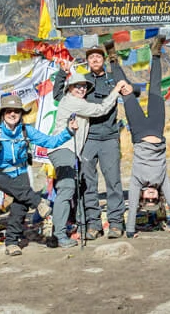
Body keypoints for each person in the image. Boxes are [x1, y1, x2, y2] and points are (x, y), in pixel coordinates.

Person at [0, 95, 75, 255]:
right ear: (2, 114)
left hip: (20, 172)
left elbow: (50, 142)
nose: (12, 114)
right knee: (21, 192)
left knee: (20, 205)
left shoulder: (26, 130)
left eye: (16, 111)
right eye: (8, 111)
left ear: (21, 113)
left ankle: (11, 243)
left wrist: (69, 131)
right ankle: (38, 202)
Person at [53, 43, 130, 239]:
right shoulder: (82, 82)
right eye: (91, 57)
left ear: (103, 60)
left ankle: (115, 223)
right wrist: (62, 74)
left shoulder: (113, 79)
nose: (95, 59)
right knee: (88, 184)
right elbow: (59, 95)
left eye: (98, 56)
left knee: (113, 181)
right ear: (87, 61)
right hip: (88, 139)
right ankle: (93, 224)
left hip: (110, 138)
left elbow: (130, 92)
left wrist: (127, 87)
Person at [45, 67, 121, 248]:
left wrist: (62, 73)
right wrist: (116, 90)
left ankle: (61, 233)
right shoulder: (73, 102)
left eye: (84, 86)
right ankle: (60, 235)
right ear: (70, 88)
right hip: (64, 149)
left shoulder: (74, 101)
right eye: (77, 86)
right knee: (67, 189)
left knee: (71, 189)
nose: (81, 89)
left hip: (70, 151)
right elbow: (101, 109)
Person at [119, 36, 170, 236]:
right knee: (155, 88)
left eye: (146, 200)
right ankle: (155, 53)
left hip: (138, 131)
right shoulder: (162, 180)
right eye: (153, 200)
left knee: (126, 93)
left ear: (141, 197)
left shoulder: (137, 182)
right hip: (156, 127)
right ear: (158, 197)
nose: (150, 197)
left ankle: (112, 59)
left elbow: (131, 209)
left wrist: (130, 231)